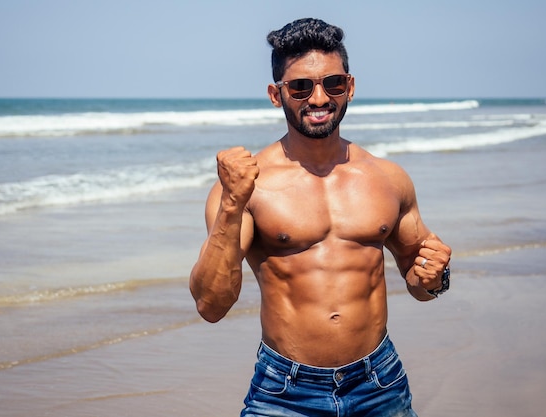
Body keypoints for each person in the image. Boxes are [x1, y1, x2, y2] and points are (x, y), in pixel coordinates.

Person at [190, 17, 451, 417]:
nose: (318, 98)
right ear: (276, 95)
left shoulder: (388, 178)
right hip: (284, 392)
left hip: (380, 382)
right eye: (300, 86)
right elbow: (211, 305)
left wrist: (436, 276)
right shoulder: (246, 187)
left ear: (350, 87)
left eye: (332, 83)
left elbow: (421, 285)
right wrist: (232, 204)